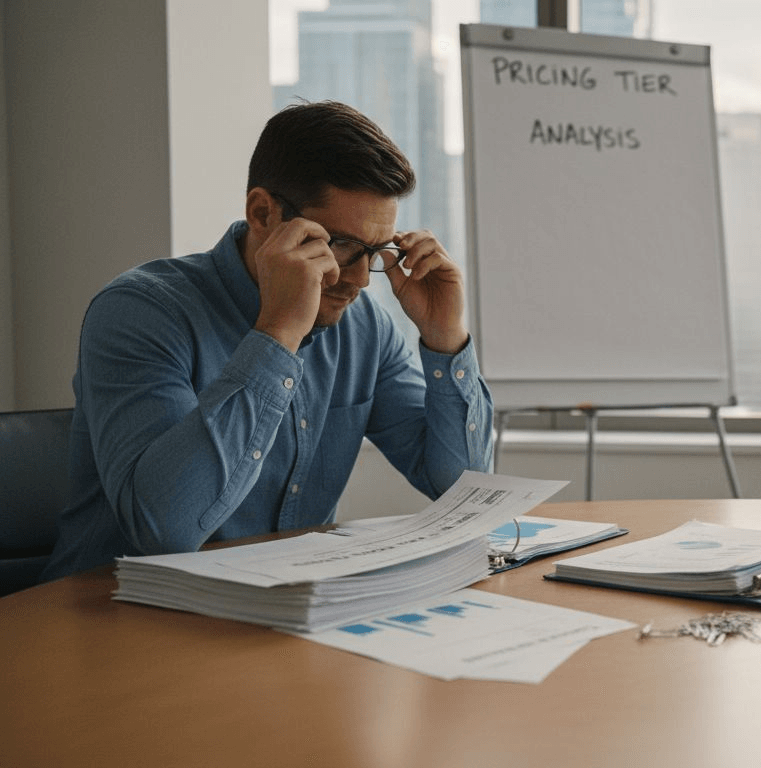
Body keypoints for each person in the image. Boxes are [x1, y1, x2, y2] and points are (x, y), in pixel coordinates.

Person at [42, 101, 492, 579]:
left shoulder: (364, 328)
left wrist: (446, 338)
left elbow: (464, 491)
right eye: (339, 243)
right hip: (111, 619)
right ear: (262, 212)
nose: (359, 280)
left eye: (375, 252)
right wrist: (277, 337)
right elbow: (164, 532)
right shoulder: (139, 312)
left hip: (277, 613)